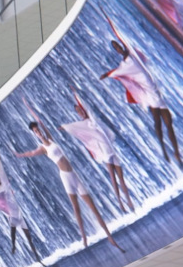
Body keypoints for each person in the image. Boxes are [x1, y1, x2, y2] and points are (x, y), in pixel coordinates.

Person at [17, 102, 124, 252]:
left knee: (92, 207)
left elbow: (40, 121)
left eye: (38, 130)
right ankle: (85, 239)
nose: (38, 132)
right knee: (76, 208)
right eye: (35, 131)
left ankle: (110, 237)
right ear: (34, 134)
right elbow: (30, 154)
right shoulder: (43, 148)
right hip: (65, 177)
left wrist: (29, 108)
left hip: (74, 174)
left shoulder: (50, 138)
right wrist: (18, 155)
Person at [100, 15, 181, 167]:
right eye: (116, 48)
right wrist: (105, 75)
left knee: (168, 123)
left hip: (154, 91)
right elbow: (114, 73)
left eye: (118, 46)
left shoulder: (131, 53)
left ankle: (176, 151)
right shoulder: (123, 66)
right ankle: (165, 149)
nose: (119, 48)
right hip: (148, 95)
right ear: (116, 52)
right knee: (158, 123)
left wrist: (110, 22)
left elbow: (120, 35)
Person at [60, 91, 134, 212]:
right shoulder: (82, 124)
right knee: (113, 179)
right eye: (78, 111)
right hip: (104, 154)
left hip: (111, 151)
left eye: (80, 109)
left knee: (121, 177)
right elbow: (71, 126)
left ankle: (129, 200)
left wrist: (75, 93)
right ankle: (120, 203)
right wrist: (62, 127)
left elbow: (86, 106)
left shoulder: (92, 118)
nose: (80, 112)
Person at [0, 156, 43, 263]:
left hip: (18, 212)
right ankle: (17, 248)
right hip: (12, 214)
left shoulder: (5, 183)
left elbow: (0, 169)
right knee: (16, 234)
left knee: (28, 236)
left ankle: (37, 257)